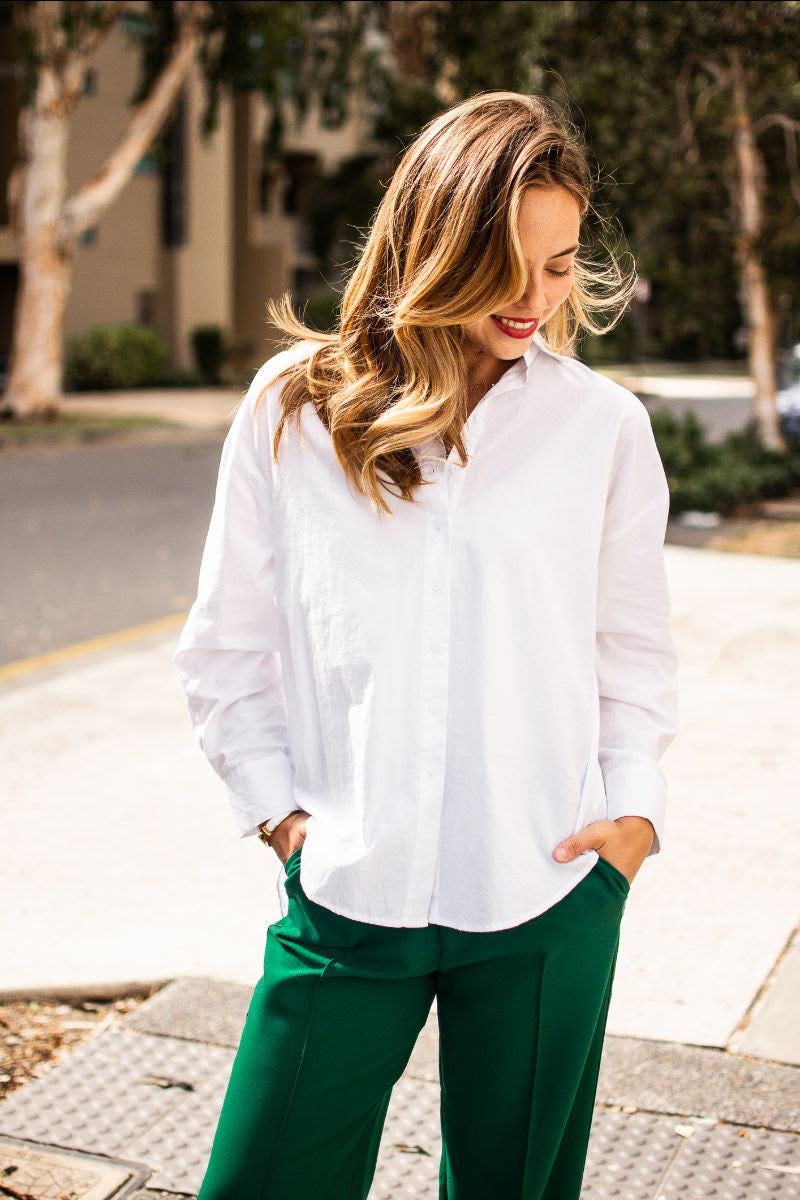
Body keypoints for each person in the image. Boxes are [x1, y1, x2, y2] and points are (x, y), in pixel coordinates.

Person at [173, 89, 679, 1200]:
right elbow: (225, 645)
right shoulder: (292, 409)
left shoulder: (602, 429)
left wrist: (631, 826)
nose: (536, 299)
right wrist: (279, 816)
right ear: (437, 246)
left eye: (559, 267)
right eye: (507, 266)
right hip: (347, 891)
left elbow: (631, 651)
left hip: (547, 894)